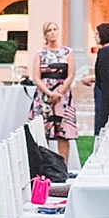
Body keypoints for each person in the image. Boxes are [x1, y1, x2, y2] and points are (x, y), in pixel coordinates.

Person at [34, 21, 78, 169]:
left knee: (63, 133)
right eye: (49, 30)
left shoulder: (67, 52)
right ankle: (45, 167)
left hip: (63, 96)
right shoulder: (40, 54)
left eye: (55, 29)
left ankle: (62, 167)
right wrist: (49, 93)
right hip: (44, 96)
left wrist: (60, 91)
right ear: (45, 34)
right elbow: (36, 77)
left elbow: (71, 74)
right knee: (43, 132)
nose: (52, 32)